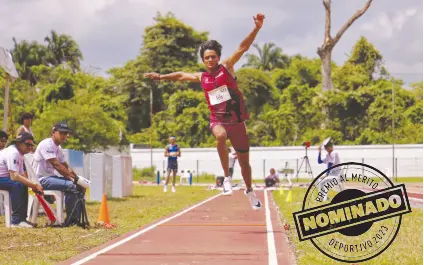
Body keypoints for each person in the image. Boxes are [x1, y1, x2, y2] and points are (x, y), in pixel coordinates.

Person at [144, 14, 265, 210]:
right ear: (203, 60)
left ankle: (250, 190)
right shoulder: (202, 77)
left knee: (245, 164)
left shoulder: (226, 67)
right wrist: (160, 76)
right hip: (217, 120)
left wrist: (257, 28)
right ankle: (227, 178)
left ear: (218, 57)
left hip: (237, 121)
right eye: (206, 57)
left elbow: (242, 48)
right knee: (220, 136)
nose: (210, 60)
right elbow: (182, 75)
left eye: (213, 56)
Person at [32, 123, 85, 225]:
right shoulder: (46, 144)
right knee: (72, 186)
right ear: (53, 132)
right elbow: (57, 165)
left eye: (65, 133)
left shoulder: (58, 148)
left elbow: (65, 165)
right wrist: (74, 179)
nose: (64, 136)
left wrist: (77, 177)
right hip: (41, 180)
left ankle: (76, 219)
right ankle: (72, 221)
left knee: (79, 185)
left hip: (50, 178)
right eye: (61, 133)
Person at [0, 132, 43, 228]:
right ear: (19, 143)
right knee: (17, 184)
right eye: (28, 144)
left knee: (23, 184)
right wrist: (34, 185)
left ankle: (22, 220)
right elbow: (14, 176)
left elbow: (22, 175)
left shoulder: (20, 154)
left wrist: (33, 186)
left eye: (32, 145)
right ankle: (16, 221)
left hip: (3, 178)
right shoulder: (13, 152)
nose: (30, 147)